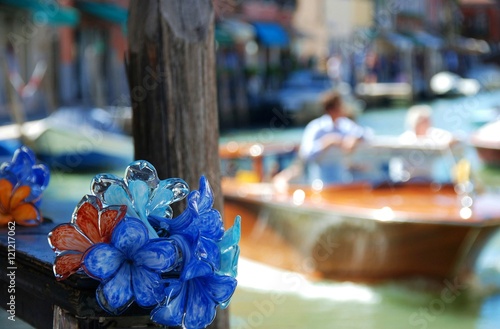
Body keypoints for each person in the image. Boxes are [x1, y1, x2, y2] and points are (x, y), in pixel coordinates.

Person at [298, 91, 372, 184]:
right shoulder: (316, 127)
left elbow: (367, 134)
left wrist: (354, 138)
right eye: (340, 105)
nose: (343, 108)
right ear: (332, 109)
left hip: (344, 181)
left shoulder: (345, 124)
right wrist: (326, 142)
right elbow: (306, 153)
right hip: (320, 182)